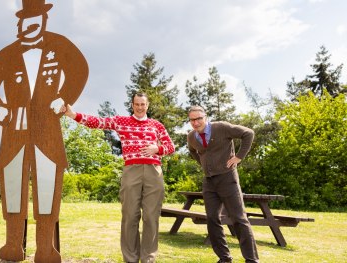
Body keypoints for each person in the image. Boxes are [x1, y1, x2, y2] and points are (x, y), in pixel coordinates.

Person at [0, 0, 89, 262]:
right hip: (14, 129)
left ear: (43, 19)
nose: (28, 25)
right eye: (24, 19)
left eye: (34, 18)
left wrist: (64, 98)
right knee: (14, 186)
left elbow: (80, 70)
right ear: (19, 23)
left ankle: (45, 248)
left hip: (47, 128)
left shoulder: (60, 45)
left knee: (48, 186)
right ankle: (13, 246)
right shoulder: (6, 53)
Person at [60, 93, 175, 263]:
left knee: (151, 216)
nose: (140, 107)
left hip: (153, 171)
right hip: (132, 170)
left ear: (147, 106)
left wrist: (156, 149)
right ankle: (131, 259)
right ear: (132, 105)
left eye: (143, 104)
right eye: (137, 104)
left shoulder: (156, 125)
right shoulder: (122, 121)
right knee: (130, 215)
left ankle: (148, 259)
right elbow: (98, 122)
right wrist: (73, 115)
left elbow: (170, 147)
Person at [187, 106, 259, 263]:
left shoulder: (222, 127)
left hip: (228, 178)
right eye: (192, 119)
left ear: (205, 117)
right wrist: (204, 164)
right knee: (212, 219)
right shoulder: (192, 136)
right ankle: (224, 258)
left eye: (199, 118)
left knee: (239, 218)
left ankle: (252, 260)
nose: (196, 122)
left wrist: (239, 157)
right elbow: (192, 151)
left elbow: (248, 133)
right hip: (209, 182)